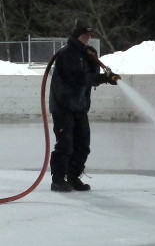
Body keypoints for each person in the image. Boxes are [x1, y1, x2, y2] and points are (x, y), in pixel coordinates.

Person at [49, 18, 120, 192]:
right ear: (79, 33)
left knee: (83, 146)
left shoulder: (86, 53)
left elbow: (92, 76)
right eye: (87, 34)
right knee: (65, 144)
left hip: (80, 108)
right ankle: (58, 179)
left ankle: (73, 177)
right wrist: (103, 78)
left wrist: (92, 60)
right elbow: (79, 79)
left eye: (91, 34)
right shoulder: (67, 54)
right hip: (63, 106)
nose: (90, 37)